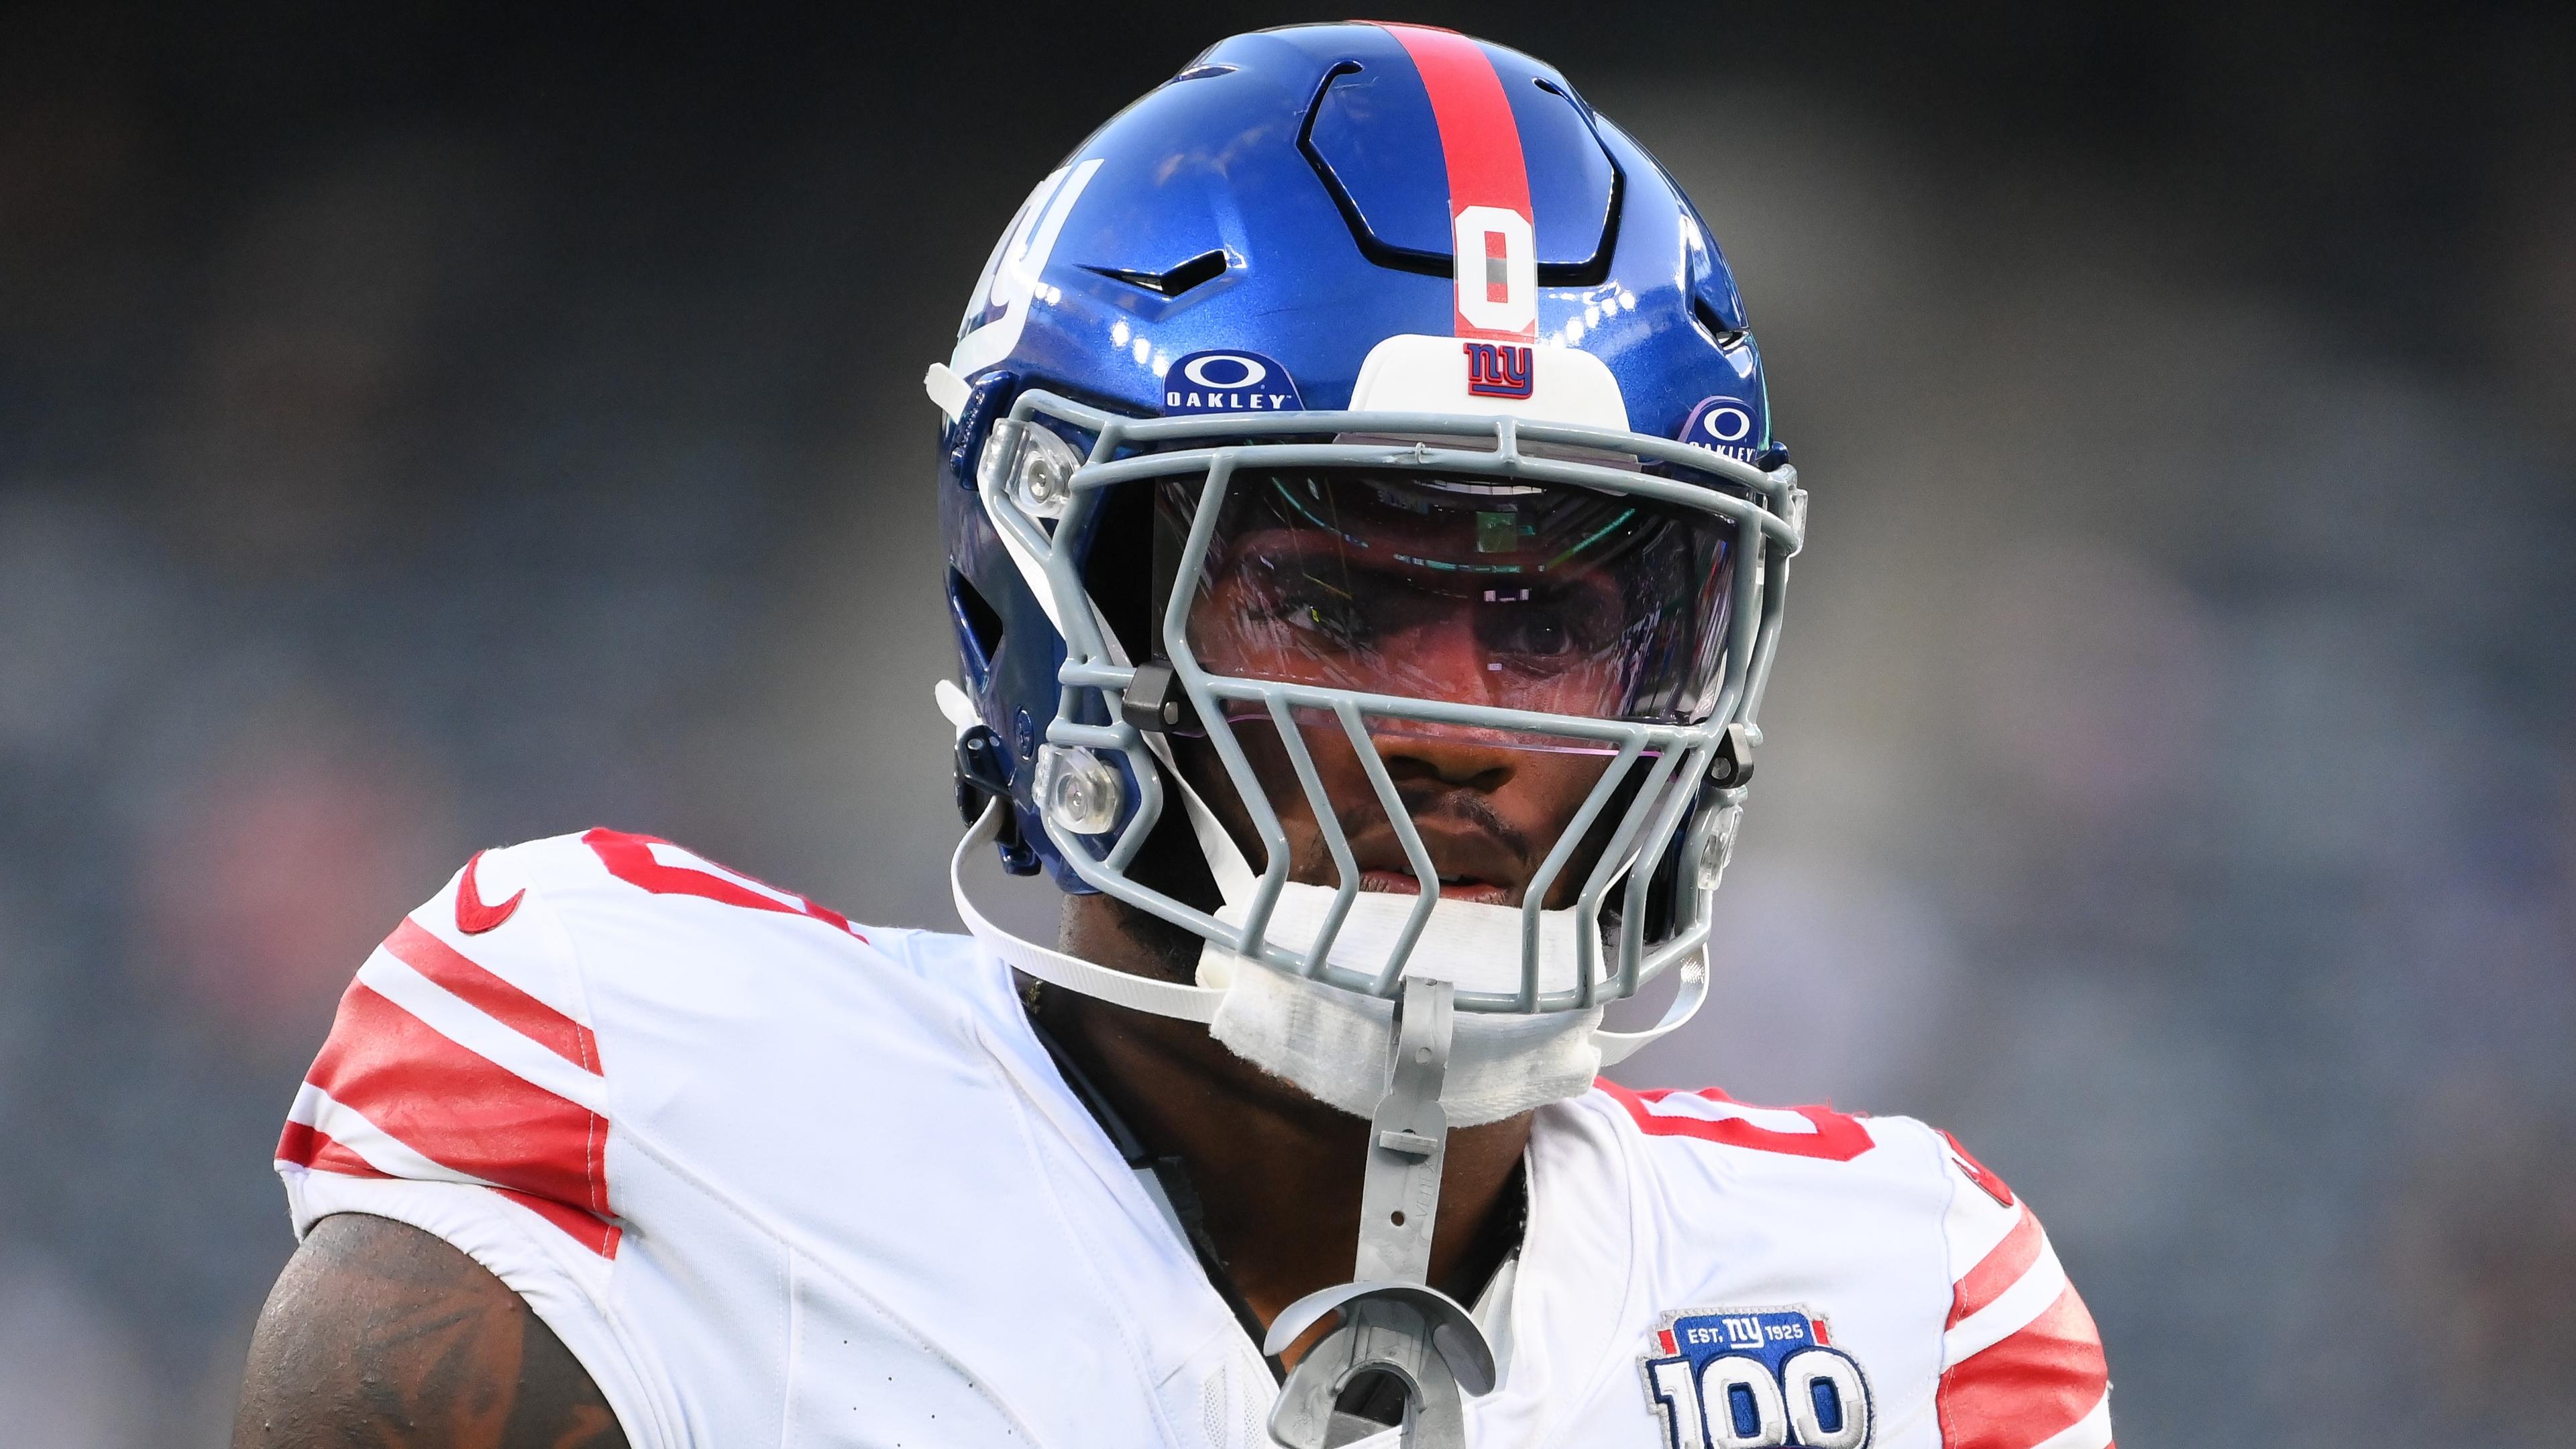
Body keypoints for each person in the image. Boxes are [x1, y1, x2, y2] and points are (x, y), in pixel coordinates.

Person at [233, 23, 2113, 1449]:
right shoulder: (655, 1115)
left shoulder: (1894, 1325)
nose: (1456, 725)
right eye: (1337, 594)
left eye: (1549, 619)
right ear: (1066, 598)